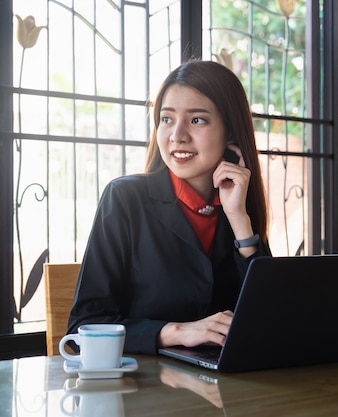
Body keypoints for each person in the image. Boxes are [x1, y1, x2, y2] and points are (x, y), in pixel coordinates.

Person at [67, 60, 272, 355]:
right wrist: (174, 331)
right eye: (167, 119)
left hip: (226, 390)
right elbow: (82, 330)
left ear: (230, 133)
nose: (177, 135)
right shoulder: (125, 198)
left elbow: (268, 323)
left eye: (197, 120)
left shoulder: (236, 207)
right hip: (143, 392)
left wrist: (240, 219)